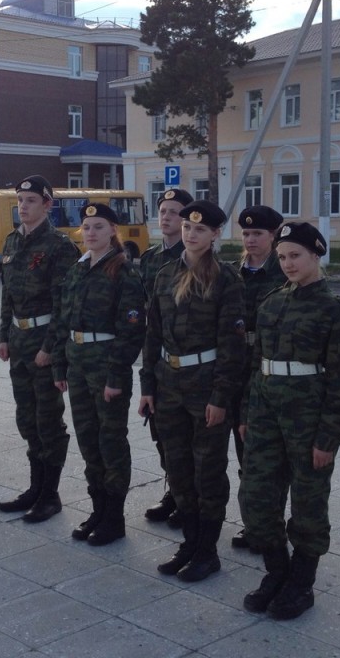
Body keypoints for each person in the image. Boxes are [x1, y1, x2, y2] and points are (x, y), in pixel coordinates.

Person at [241, 221, 340, 620]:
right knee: (256, 496)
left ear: (315, 255)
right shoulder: (272, 302)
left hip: (308, 420)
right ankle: (277, 572)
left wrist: (330, 437)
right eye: (282, 257)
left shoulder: (335, 310)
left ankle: (302, 582)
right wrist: (247, 414)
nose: (288, 264)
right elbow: (256, 365)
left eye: (295, 255)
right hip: (266, 416)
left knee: (308, 503)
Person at [139, 200, 245, 583]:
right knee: (178, 470)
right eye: (187, 227)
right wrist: (147, 386)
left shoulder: (226, 278)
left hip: (205, 386)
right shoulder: (165, 273)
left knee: (208, 473)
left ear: (215, 234)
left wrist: (220, 397)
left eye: (200, 229)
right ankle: (190, 542)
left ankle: (207, 551)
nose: (190, 234)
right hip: (168, 384)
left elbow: (232, 345)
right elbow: (153, 334)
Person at [53, 203, 146, 545]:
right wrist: (60, 365)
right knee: (88, 440)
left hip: (106, 365)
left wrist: (116, 377)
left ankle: (114, 517)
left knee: (111, 441)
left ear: (113, 231)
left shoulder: (123, 272)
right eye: (87, 227)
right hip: (78, 363)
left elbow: (131, 330)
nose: (91, 233)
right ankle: (98, 508)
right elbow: (64, 319)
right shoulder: (78, 270)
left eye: (99, 227)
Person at [0, 175, 80, 523]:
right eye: (20, 200)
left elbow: (65, 305)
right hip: (19, 340)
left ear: (47, 205)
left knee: (48, 420)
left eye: (31, 201)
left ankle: (50, 495)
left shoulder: (59, 246)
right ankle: (35, 487)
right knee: (26, 418)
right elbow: (7, 294)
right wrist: (3, 336)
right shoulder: (12, 241)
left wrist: (51, 348)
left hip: (44, 341)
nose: (23, 206)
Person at [231, 205, 286, 552]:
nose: (251, 240)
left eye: (258, 234)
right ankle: (253, 524)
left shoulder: (283, 273)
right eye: (246, 234)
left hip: (266, 371)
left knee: (266, 458)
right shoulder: (232, 273)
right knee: (244, 454)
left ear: (273, 235)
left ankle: (270, 526)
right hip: (234, 369)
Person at [137, 187, 192, 527]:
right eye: (163, 211)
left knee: (187, 437)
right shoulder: (150, 258)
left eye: (174, 211)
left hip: (188, 359)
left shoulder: (194, 257)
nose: (167, 217)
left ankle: (189, 498)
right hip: (157, 354)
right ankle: (173, 492)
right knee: (161, 430)